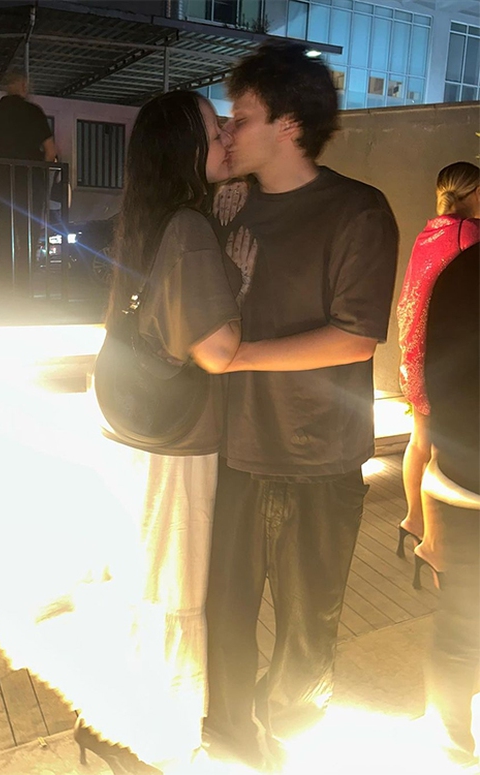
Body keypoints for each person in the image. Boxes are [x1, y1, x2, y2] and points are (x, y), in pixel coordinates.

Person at [0, 90, 241, 774]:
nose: (226, 137)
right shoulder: (191, 225)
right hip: (171, 437)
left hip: (124, 415)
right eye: (214, 129)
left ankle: (107, 722)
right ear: (185, 148)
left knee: (132, 584)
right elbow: (218, 350)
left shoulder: (147, 215)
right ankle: (150, 739)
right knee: (169, 592)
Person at [203, 41, 399, 769]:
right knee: (224, 609)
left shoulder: (356, 210)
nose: (228, 132)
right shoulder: (226, 206)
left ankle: (287, 731)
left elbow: (355, 336)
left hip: (318, 454)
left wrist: (242, 356)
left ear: (288, 124)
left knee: (307, 624)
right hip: (232, 447)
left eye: (241, 118)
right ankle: (231, 734)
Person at [396, 162, 480, 585]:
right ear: (475, 193)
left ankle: (412, 521)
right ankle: (434, 545)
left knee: (420, 441)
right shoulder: (470, 236)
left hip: (414, 350)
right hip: (443, 356)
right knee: (442, 452)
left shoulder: (431, 231)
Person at [421, 242, 479, 768]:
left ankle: (451, 747)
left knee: (463, 624)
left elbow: (435, 378)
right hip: (468, 478)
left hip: (465, 476)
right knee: (463, 629)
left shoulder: (460, 269)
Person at [0, 69, 56, 295]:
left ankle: (4, 290)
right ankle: (24, 290)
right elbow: (50, 151)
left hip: (4, 183)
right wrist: (42, 172)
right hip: (32, 184)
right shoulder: (33, 112)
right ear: (22, 85)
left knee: (5, 235)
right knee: (28, 236)